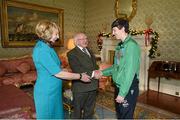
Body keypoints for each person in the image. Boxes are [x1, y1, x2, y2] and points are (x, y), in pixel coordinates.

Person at [32, 20, 90, 119]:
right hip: (47, 93)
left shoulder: (48, 47)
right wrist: (80, 76)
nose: (58, 37)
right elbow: (58, 73)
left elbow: (55, 67)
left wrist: (64, 69)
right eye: (56, 34)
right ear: (47, 34)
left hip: (54, 91)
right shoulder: (41, 50)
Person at [95, 18, 141, 119]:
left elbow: (129, 72)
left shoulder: (131, 46)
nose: (112, 33)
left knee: (126, 116)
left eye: (114, 30)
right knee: (120, 114)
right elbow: (116, 68)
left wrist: (122, 93)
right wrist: (101, 72)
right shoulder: (120, 45)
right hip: (119, 86)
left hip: (127, 88)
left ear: (123, 29)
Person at [67, 33, 99, 119]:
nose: (85, 40)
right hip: (80, 87)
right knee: (77, 111)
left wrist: (98, 71)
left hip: (93, 85)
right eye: (82, 39)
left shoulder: (89, 50)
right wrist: (93, 74)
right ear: (76, 41)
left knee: (89, 110)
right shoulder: (71, 53)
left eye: (86, 38)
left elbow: (94, 66)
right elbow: (77, 69)